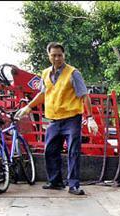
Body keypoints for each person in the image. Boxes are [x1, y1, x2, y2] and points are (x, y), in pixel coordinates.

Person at [15, 42, 98, 195]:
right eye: (54, 55)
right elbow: (42, 94)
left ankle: (73, 185)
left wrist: (90, 117)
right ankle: (55, 181)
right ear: (49, 56)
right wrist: (29, 107)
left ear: (64, 55)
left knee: (73, 151)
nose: (57, 58)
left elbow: (84, 95)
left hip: (72, 118)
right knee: (50, 150)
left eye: (60, 55)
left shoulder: (73, 73)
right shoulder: (45, 73)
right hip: (53, 120)